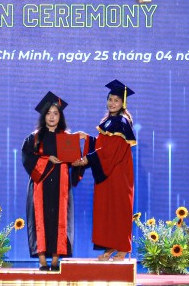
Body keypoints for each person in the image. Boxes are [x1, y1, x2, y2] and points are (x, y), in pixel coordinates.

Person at [73, 80, 136, 261]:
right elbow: (103, 145)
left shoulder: (122, 122)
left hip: (118, 174)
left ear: (123, 103)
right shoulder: (108, 121)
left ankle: (123, 248)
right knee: (107, 212)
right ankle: (110, 248)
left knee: (119, 210)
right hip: (107, 174)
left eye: (116, 100)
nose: (112, 103)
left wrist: (88, 159)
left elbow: (111, 150)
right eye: (110, 99)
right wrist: (88, 138)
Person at [21, 91, 83, 271]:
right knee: (39, 220)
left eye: (56, 113)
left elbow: (74, 160)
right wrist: (47, 160)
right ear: (43, 115)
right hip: (40, 185)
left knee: (59, 220)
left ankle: (55, 260)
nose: (52, 117)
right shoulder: (34, 138)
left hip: (60, 186)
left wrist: (78, 163)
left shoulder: (67, 137)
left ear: (60, 116)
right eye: (48, 113)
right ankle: (42, 261)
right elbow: (27, 158)